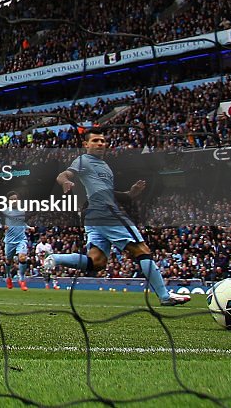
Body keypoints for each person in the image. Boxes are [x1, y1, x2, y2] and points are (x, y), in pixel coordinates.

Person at [42, 128, 190, 306]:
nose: (100, 143)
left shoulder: (104, 166)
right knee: (142, 250)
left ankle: (55, 259)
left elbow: (107, 192)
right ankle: (165, 296)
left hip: (94, 216)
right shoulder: (83, 160)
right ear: (85, 144)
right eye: (95, 140)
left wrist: (129, 194)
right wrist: (65, 181)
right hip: (106, 212)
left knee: (96, 262)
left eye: (103, 141)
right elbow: (64, 174)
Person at [0, 190, 31, 291]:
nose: (14, 201)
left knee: (22, 258)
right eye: (11, 199)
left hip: (21, 239)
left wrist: (28, 227)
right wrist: (3, 226)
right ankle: (8, 277)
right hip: (9, 241)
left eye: (15, 199)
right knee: (8, 261)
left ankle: (22, 279)